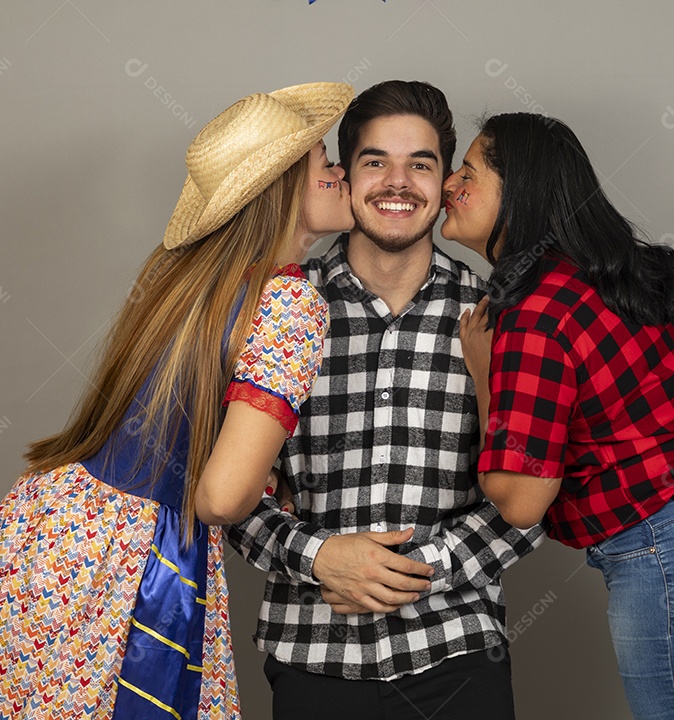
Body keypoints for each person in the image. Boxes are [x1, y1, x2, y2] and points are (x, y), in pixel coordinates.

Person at [0, 82, 355, 720]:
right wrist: (255, 474)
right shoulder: (291, 304)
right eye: (322, 161)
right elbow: (221, 498)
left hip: (52, 524)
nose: (339, 172)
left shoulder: (177, 275)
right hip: (128, 560)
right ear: (280, 186)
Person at [444, 113, 674, 720]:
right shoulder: (603, 271)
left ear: (519, 193)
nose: (450, 184)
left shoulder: (534, 312)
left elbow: (522, 499)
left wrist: (482, 374)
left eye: (468, 173)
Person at [227, 81, 543, 720]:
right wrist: (317, 557)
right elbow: (224, 488)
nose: (397, 183)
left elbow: (529, 495)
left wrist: (418, 568)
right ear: (343, 177)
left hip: (456, 650)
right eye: (376, 162)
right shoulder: (279, 310)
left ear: (447, 181)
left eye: (419, 164)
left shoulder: (500, 316)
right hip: (310, 650)